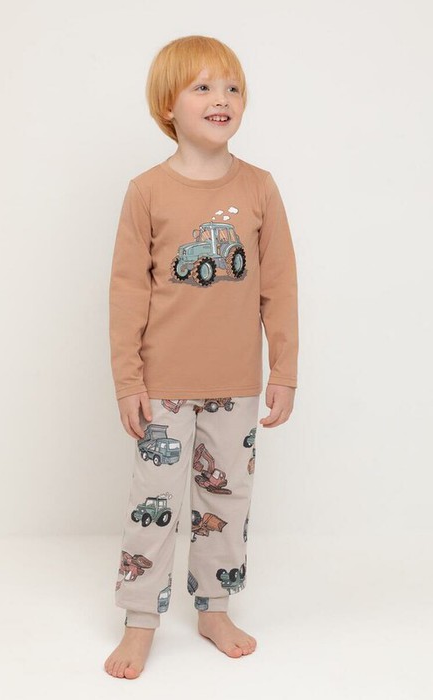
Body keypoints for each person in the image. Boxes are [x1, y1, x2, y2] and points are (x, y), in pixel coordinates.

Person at [104, 34, 299, 679]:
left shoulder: (260, 188)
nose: (223, 98)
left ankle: (214, 608)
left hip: (236, 383)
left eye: (233, 87)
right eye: (204, 87)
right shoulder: (146, 191)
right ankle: (140, 618)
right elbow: (128, 292)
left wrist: (284, 372)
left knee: (227, 501)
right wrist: (128, 380)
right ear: (169, 105)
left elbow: (279, 288)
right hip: (162, 384)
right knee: (154, 501)